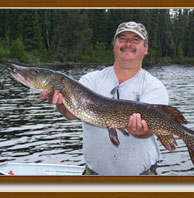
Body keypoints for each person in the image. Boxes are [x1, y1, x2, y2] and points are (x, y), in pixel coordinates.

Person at [41, 21, 169, 175]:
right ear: (114, 45)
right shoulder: (91, 80)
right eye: (122, 38)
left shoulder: (154, 86)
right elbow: (70, 113)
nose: (128, 43)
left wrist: (143, 131)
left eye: (136, 40)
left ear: (145, 48)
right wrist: (60, 103)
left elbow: (154, 129)